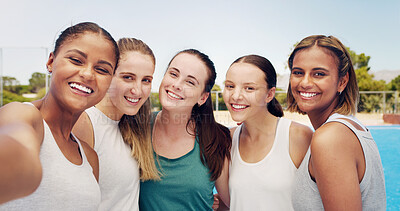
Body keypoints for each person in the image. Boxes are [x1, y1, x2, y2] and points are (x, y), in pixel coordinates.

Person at [0, 22, 119, 210]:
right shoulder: (23, 114)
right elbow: (15, 148)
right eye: (76, 60)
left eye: (102, 70)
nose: (88, 74)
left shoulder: (90, 157)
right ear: (50, 62)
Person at [288, 35, 386, 210]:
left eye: (319, 74)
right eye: (298, 72)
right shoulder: (348, 128)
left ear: (342, 82)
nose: (305, 82)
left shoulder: (330, 138)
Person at [72, 37, 160, 211]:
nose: (138, 90)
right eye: (128, 77)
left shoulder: (133, 126)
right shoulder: (85, 124)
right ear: (109, 75)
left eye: (146, 80)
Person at [139, 49, 231, 211]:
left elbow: (232, 203)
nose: (176, 85)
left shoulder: (217, 139)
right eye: (173, 74)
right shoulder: (136, 128)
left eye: (190, 82)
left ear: (203, 97)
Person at [222, 54, 312, 210]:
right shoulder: (227, 140)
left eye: (249, 88)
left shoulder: (298, 136)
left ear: (270, 94)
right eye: (230, 86)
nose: (235, 96)